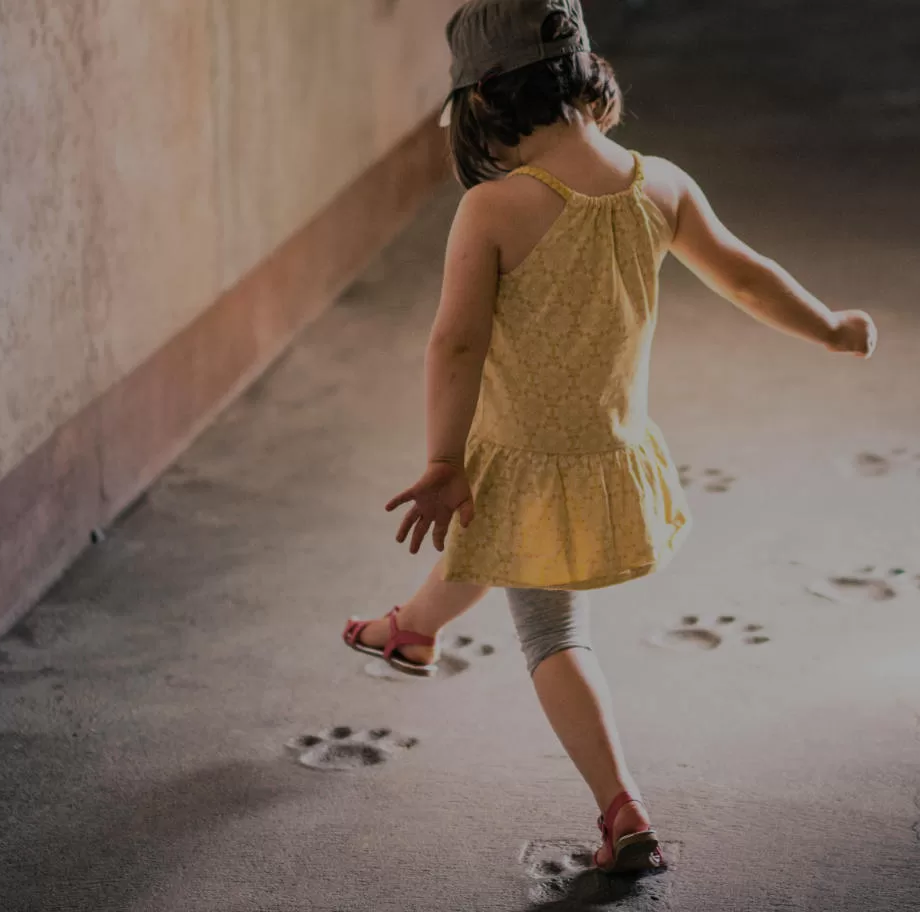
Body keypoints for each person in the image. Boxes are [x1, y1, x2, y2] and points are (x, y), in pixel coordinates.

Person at [340, 0, 877, 874]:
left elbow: (457, 342)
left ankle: (622, 809)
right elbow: (744, 276)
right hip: (608, 455)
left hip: (523, 461)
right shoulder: (659, 182)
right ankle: (409, 629)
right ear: (588, 76)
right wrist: (827, 327)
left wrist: (443, 460)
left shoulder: (494, 209)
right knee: (493, 543)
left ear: (482, 105)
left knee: (551, 635)